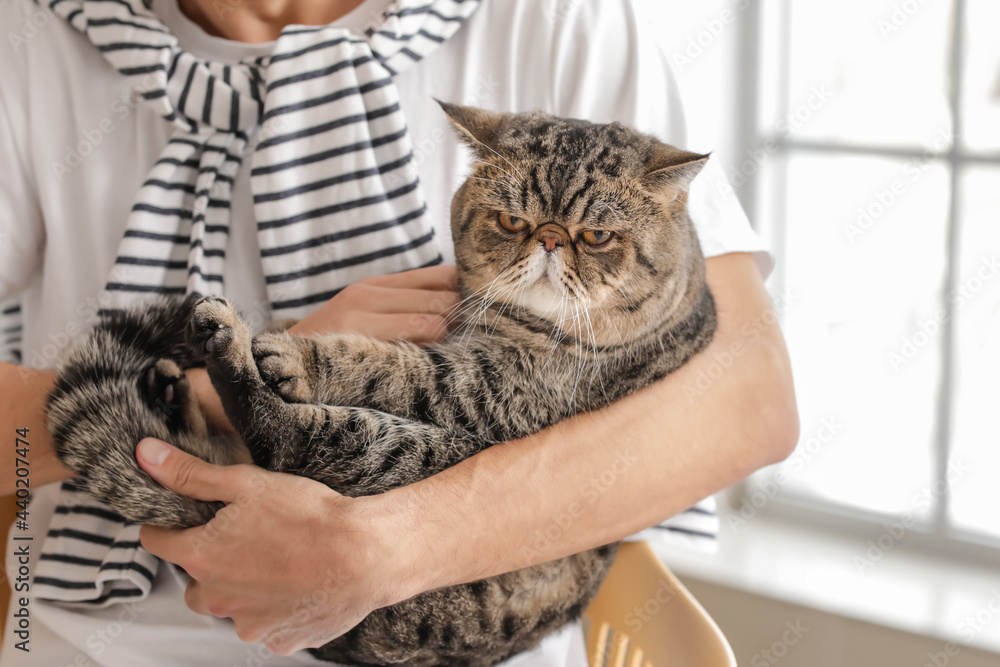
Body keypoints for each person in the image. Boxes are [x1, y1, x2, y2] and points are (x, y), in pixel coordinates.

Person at [0, 0, 799, 664]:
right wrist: (212, 395)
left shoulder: (555, 19)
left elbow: (747, 397)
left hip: (452, 625)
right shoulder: (27, 40)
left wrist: (386, 549)